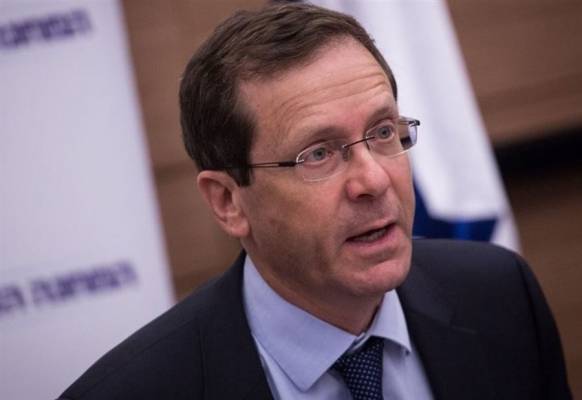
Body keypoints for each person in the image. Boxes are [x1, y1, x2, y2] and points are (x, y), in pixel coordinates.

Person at [58, 3, 571, 399]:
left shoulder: (502, 297)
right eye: (318, 153)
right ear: (228, 201)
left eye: (383, 132)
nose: (373, 180)